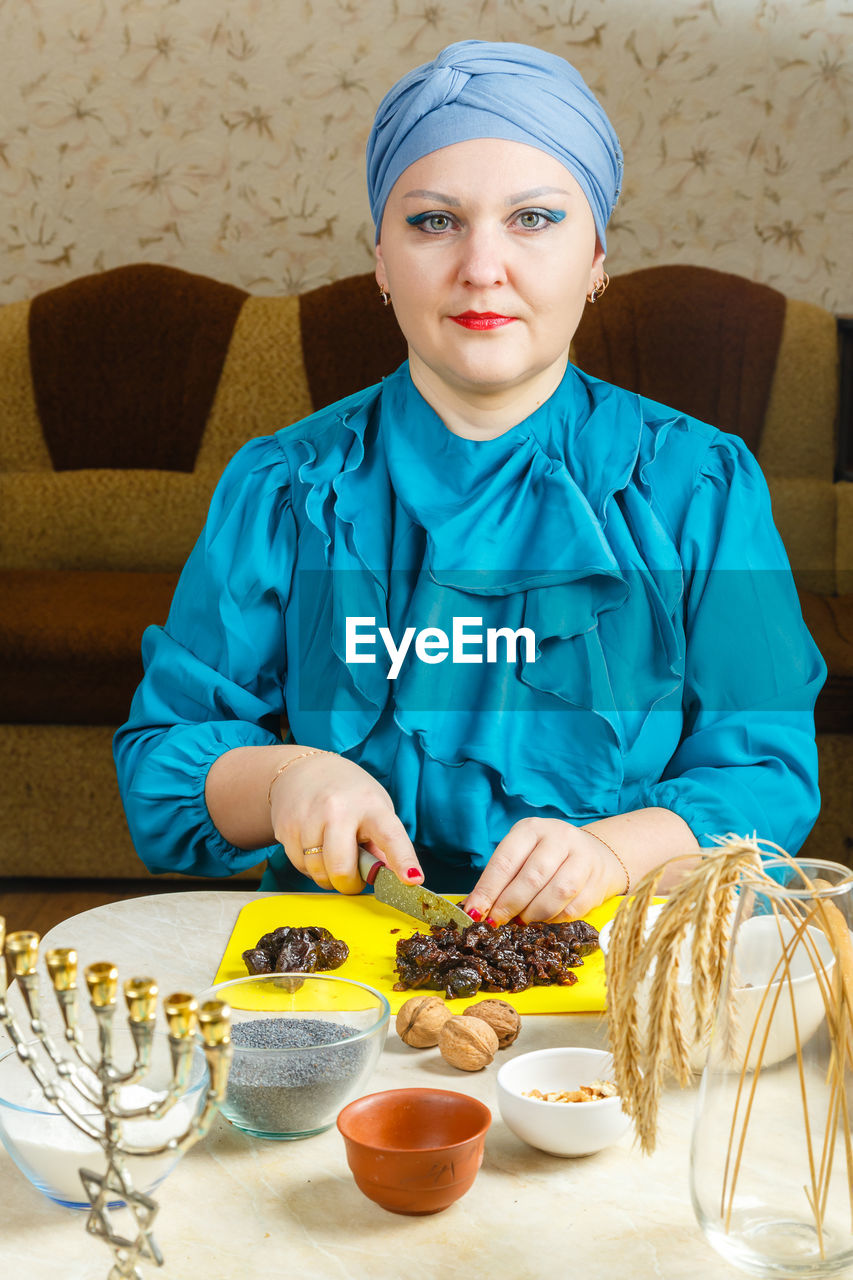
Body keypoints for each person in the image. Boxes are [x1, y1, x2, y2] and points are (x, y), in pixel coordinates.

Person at [114, 40, 825, 925]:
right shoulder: (283, 486)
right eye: (433, 221)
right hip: (342, 981)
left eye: (533, 218)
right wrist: (292, 778)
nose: (482, 268)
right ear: (380, 258)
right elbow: (162, 762)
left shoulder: (703, 485)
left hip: (622, 972)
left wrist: (614, 850)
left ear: (596, 255)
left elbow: (767, 774)